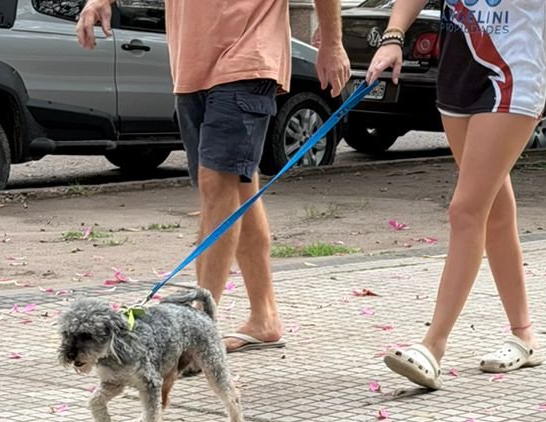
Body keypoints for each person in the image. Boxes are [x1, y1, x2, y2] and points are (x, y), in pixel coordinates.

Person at [367, 0, 546, 389]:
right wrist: (393, 37)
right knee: (494, 211)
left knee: (465, 211)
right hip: (456, 80)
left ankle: (433, 345)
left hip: (512, 81)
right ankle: (525, 336)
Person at [77, 0, 351, 353]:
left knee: (216, 187)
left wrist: (331, 43)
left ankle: (197, 331)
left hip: (247, 57)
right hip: (190, 62)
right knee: (239, 188)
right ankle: (264, 317)